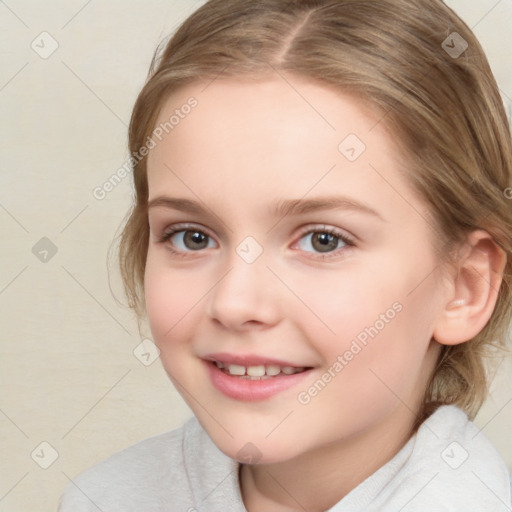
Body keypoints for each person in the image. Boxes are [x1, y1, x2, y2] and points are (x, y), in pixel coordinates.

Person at [58, 0, 512, 510]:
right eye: (192, 236)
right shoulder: (102, 498)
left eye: (323, 240)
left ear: (464, 287)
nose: (234, 302)